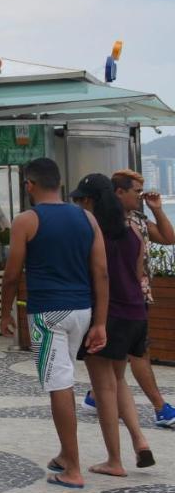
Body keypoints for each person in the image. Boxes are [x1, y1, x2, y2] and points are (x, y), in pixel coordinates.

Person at [1, 157, 107, 490]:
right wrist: (100, 322)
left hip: (48, 313)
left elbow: (12, 274)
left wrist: (5, 312)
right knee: (65, 377)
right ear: (60, 183)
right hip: (83, 311)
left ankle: (73, 469)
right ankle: (65, 453)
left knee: (58, 385)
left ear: (30, 185)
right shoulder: (86, 218)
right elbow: (101, 272)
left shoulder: (26, 221)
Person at [69, 174, 156, 474]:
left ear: (90, 201)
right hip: (136, 312)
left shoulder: (92, 233)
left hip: (109, 315)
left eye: (81, 199)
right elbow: (138, 271)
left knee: (103, 388)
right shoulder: (133, 230)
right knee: (119, 381)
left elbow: (94, 275)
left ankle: (115, 461)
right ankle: (140, 440)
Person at [82, 170, 175, 428]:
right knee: (137, 355)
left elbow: (169, 238)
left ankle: (93, 396)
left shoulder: (138, 220)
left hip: (136, 297)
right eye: (136, 191)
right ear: (119, 192)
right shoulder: (101, 224)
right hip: (118, 301)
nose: (140, 196)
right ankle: (160, 408)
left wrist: (157, 209)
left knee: (119, 359)